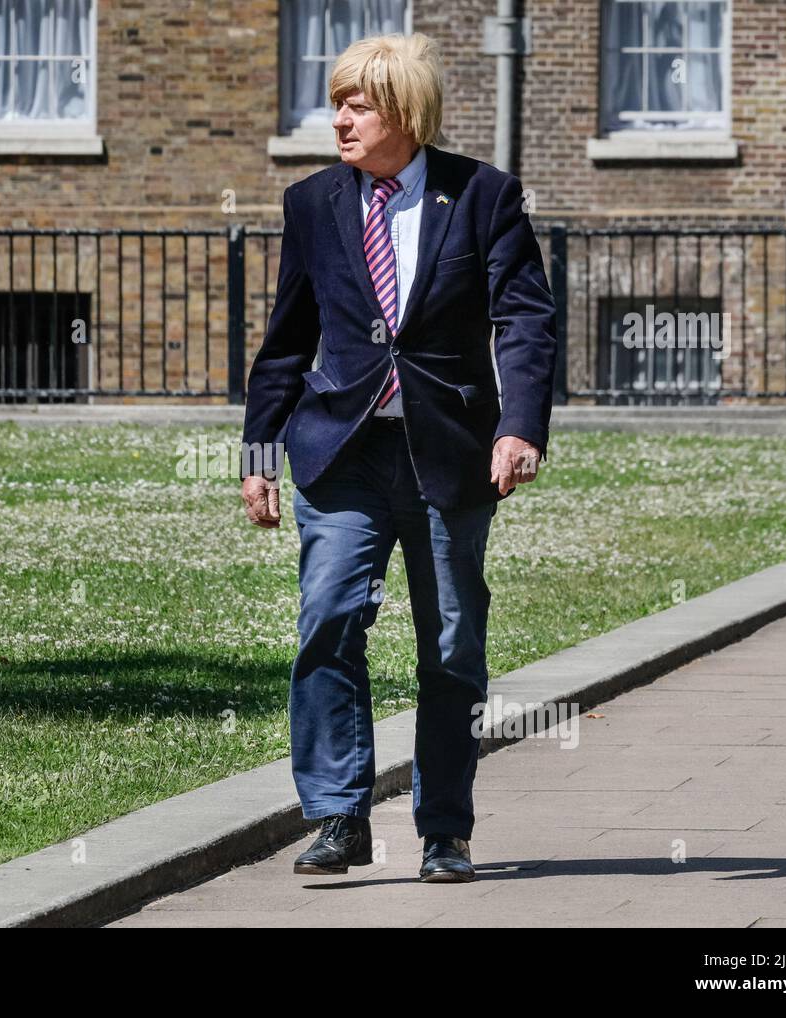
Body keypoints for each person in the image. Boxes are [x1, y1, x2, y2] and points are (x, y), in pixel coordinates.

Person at [238, 32, 556, 882]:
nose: (336, 117)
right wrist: (260, 454)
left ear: (405, 112)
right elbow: (285, 342)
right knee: (328, 620)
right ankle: (338, 816)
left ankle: (444, 829)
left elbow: (524, 320)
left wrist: (519, 426)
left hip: (447, 457)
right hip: (342, 454)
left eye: (356, 103)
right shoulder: (313, 203)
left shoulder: (483, 197)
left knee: (452, 644)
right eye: (336, 101)